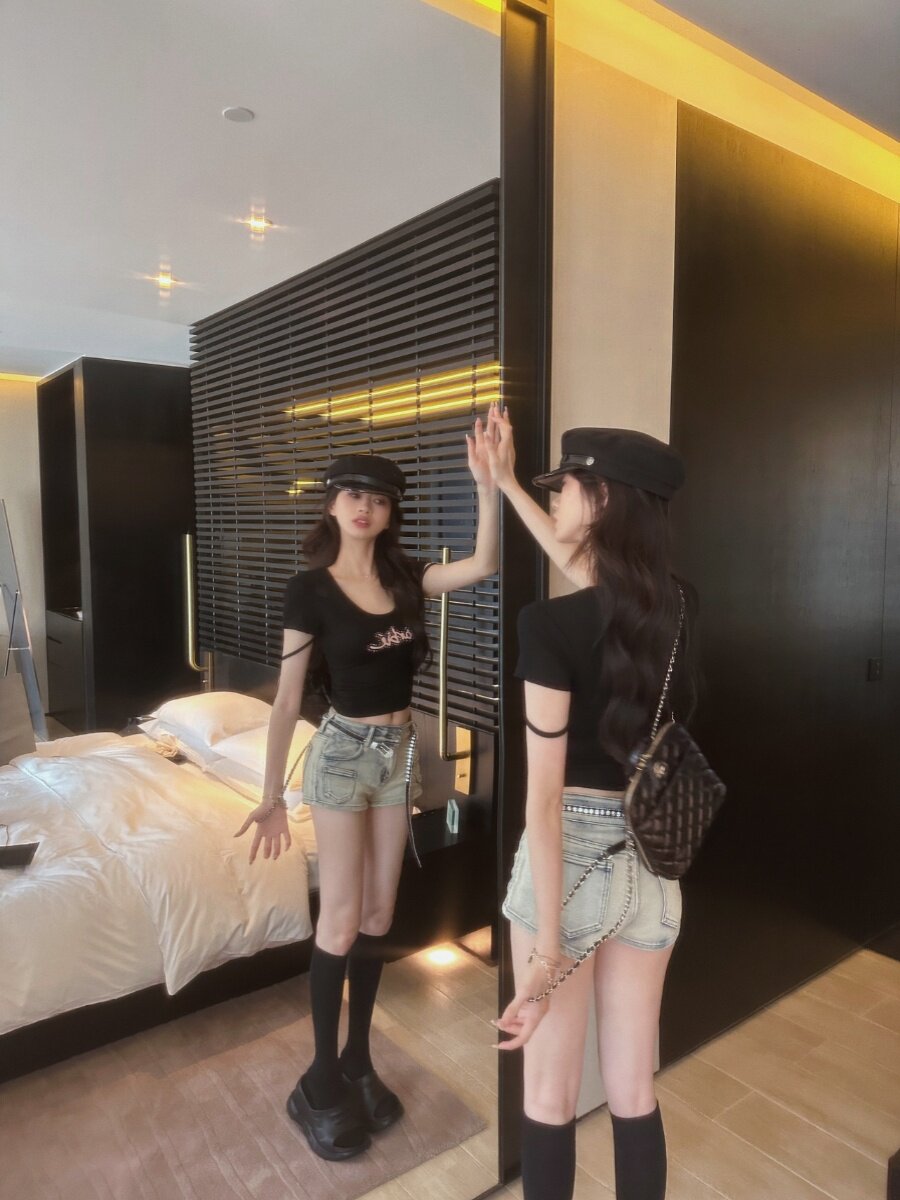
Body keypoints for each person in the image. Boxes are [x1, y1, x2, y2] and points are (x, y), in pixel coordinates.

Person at [235, 419, 499, 1162]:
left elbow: (482, 563)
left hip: (399, 756)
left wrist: (487, 487)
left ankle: (357, 1060)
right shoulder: (309, 590)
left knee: (381, 914)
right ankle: (319, 1081)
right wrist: (272, 795)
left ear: (389, 514)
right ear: (331, 504)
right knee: (343, 919)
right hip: (344, 756)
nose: (364, 507)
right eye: (352, 494)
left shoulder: (406, 577)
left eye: (378, 499)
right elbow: (288, 700)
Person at [488, 410, 694, 1200]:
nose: (557, 498)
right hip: (652, 865)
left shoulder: (548, 626)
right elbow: (600, 594)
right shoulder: (682, 610)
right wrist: (507, 485)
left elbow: (542, 804)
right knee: (634, 1088)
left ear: (601, 498)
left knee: (550, 1095)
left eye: (564, 487)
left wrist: (547, 952)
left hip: (569, 859)